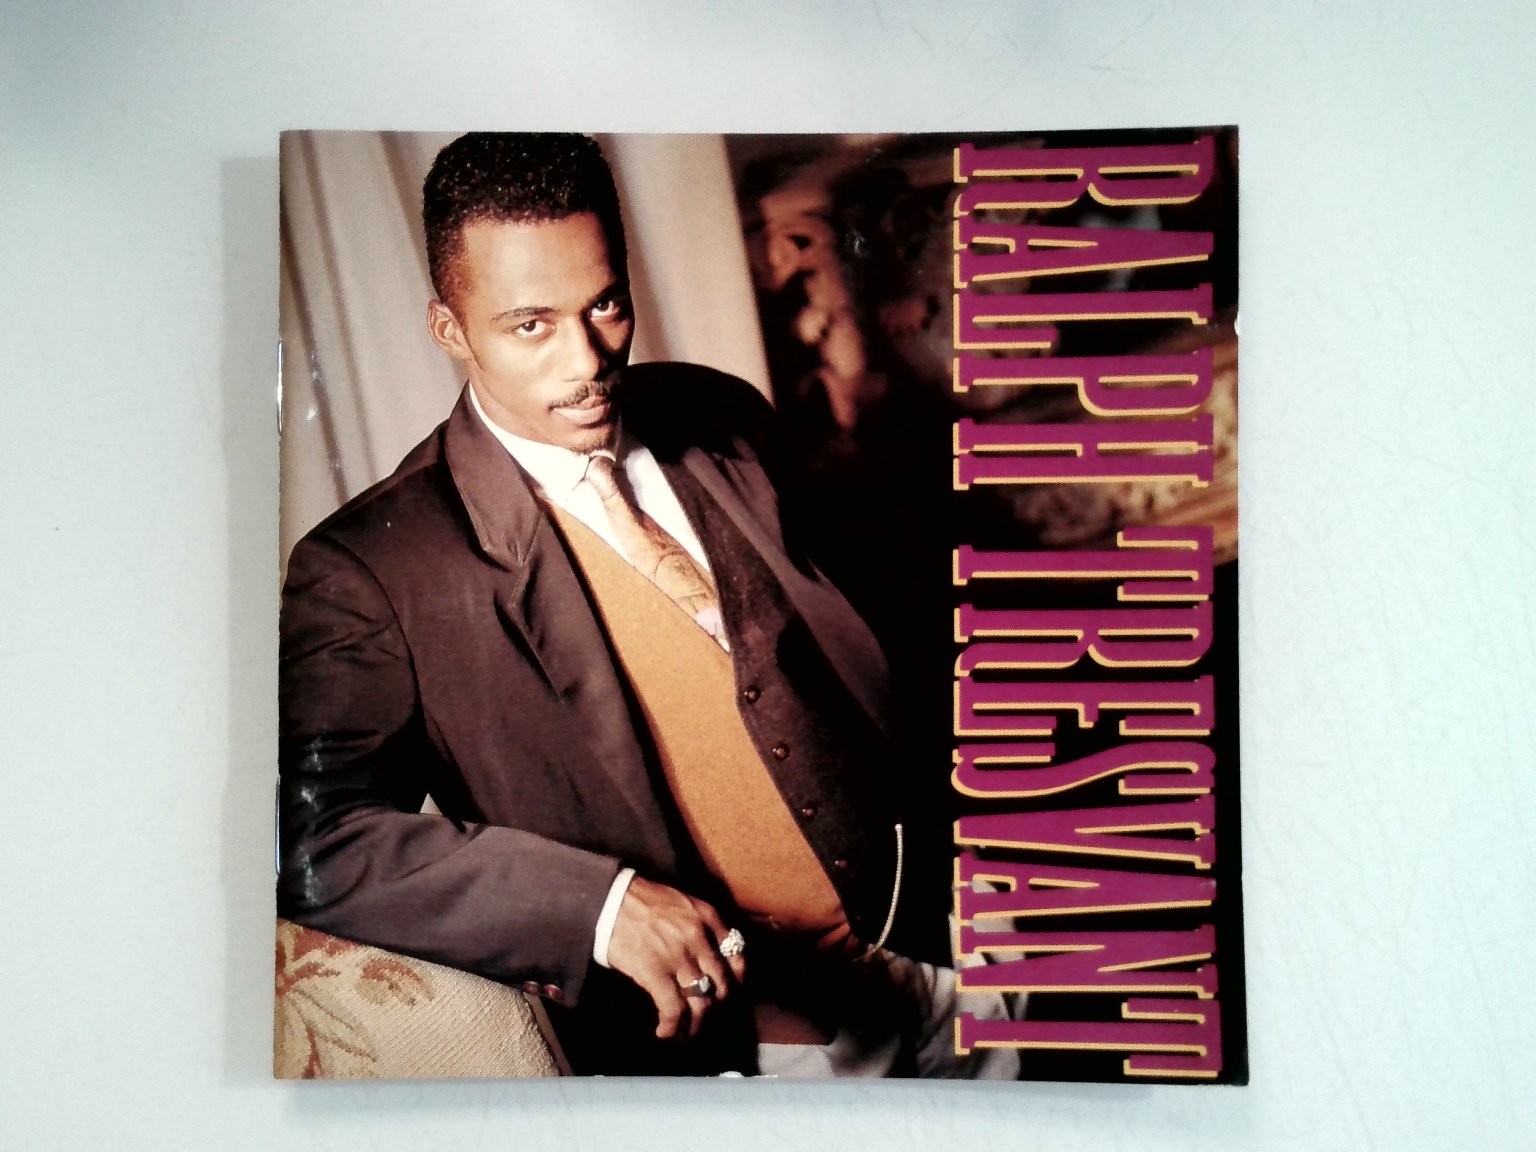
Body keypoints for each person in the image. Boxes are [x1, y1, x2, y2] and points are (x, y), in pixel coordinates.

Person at [277, 132, 1013, 1077]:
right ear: (449, 329)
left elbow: (865, 638)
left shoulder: (719, 412)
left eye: (605, 305)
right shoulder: (373, 567)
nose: (586, 359)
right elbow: (313, 836)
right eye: (530, 325)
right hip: (753, 1054)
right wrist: (600, 906)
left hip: (953, 957)